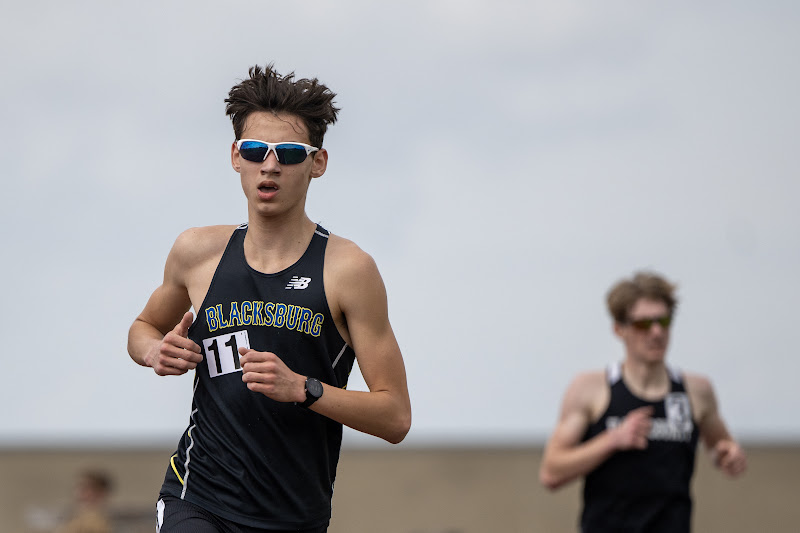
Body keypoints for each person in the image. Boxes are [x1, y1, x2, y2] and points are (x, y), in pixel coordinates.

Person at [127, 64, 412, 533]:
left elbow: (395, 415)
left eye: (290, 154)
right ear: (237, 157)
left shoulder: (348, 271)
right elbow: (142, 329)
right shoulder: (198, 252)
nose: (271, 165)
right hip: (198, 497)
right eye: (257, 150)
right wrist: (154, 351)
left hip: (292, 516)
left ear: (317, 163)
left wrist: (304, 389)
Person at [539, 271, 746, 533]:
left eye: (664, 321)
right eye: (643, 324)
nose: (657, 332)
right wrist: (611, 441)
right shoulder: (591, 389)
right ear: (619, 329)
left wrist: (728, 456)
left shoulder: (696, 391)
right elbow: (551, 472)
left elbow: (720, 447)